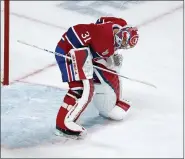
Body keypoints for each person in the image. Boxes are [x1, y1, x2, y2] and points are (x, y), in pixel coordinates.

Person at [54, 16, 139, 139]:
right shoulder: (104, 44)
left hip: (77, 41)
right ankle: (63, 123)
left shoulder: (120, 23)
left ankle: (68, 120)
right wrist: (111, 60)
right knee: (80, 88)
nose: (123, 46)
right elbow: (93, 58)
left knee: (83, 87)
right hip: (68, 49)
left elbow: (100, 21)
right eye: (123, 43)